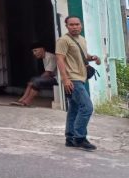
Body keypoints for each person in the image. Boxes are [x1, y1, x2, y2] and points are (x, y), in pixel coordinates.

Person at [55, 16, 101, 151]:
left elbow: (82, 57)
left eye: (77, 24)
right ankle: (80, 138)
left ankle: (70, 138)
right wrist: (65, 79)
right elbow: (60, 59)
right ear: (67, 26)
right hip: (72, 79)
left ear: (81, 25)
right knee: (87, 108)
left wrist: (93, 58)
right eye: (71, 25)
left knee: (74, 109)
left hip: (80, 78)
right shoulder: (63, 40)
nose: (74, 27)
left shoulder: (82, 39)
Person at [10, 42, 58, 107]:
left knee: (37, 81)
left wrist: (36, 80)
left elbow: (48, 73)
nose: (34, 53)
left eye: (35, 50)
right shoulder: (45, 57)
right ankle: (21, 100)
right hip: (52, 77)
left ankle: (26, 102)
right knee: (32, 80)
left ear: (42, 49)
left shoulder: (50, 56)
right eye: (33, 51)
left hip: (57, 79)